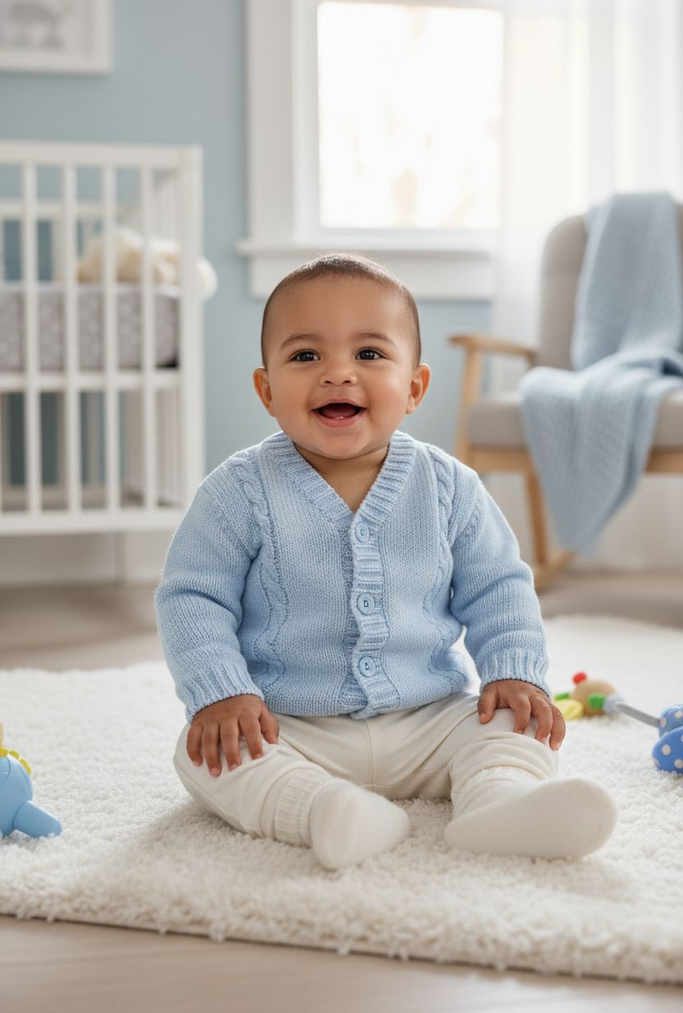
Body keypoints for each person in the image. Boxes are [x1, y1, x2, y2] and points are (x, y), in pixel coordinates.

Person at [155, 254, 618, 870]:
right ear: (267, 390)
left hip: (429, 719)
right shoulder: (238, 491)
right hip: (289, 722)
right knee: (204, 753)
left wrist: (513, 670)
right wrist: (222, 693)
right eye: (305, 356)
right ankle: (323, 810)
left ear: (415, 388)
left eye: (369, 355)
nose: (338, 374)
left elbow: (499, 587)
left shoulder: (449, 487)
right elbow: (194, 598)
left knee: (516, 721)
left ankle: (499, 804)